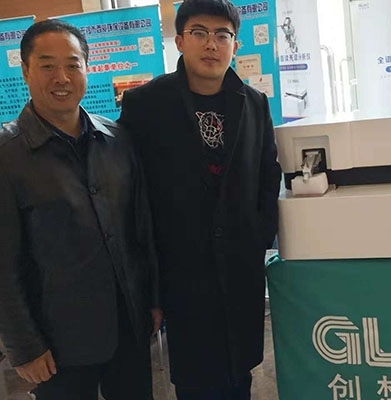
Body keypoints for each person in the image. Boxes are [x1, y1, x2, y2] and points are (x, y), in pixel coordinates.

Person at [117, 0, 281, 398]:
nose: (211, 44)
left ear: (235, 45)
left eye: (222, 35)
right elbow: (130, 189)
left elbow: (267, 173)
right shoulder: (145, 104)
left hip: (239, 266)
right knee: (195, 378)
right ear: (179, 41)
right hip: (180, 270)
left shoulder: (254, 102)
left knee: (240, 371)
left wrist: (258, 235)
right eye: (199, 33)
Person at [0, 19, 162, 400]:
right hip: (58, 344)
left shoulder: (116, 139)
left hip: (127, 326)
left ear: (87, 69)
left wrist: (152, 300)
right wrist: (23, 345)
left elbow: (141, 229)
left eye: (73, 65)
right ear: (25, 71)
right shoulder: (8, 155)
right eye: (47, 65)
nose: (62, 77)